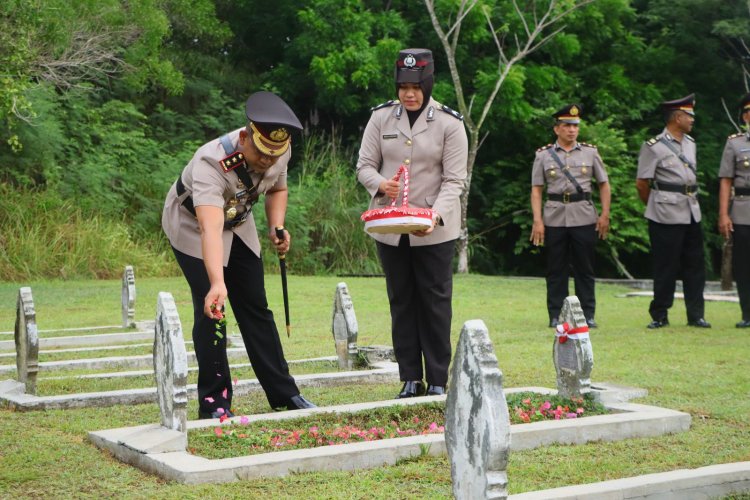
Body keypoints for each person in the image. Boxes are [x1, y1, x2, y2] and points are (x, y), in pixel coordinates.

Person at [162, 90, 316, 419]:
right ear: (245, 137)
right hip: (193, 226)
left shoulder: (279, 150)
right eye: (261, 154)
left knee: (256, 307)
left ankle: (284, 393)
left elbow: (278, 187)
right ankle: (215, 402)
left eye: (273, 156)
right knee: (212, 309)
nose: (266, 162)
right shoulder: (210, 163)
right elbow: (210, 226)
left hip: (239, 222)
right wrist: (216, 282)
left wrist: (277, 227)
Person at [357, 48, 468, 399]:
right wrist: (379, 184)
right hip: (390, 228)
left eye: (416, 86)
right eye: (403, 86)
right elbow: (364, 166)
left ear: (429, 83)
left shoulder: (450, 123)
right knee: (401, 300)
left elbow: (455, 181)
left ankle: (437, 379)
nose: (409, 93)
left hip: (433, 229)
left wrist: (434, 215)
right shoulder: (381, 118)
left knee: (434, 302)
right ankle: (409, 377)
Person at [530, 104, 611, 329]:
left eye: (575, 125)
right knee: (556, 269)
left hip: (584, 216)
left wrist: (605, 214)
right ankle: (556, 314)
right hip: (554, 217)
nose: (572, 130)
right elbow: (536, 189)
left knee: (585, 268)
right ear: (557, 129)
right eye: (566, 125)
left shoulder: (590, 152)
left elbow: (603, 184)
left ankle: (588, 314)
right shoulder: (543, 155)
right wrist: (538, 220)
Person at [636, 94, 711, 329]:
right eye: (689, 115)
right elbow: (642, 183)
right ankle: (660, 314)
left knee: (695, 265)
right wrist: (657, 204)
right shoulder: (653, 147)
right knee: (665, 266)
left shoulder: (691, 144)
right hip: (664, 213)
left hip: (691, 210)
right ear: (677, 117)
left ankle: (695, 315)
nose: (692, 120)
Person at [718, 92, 750, 328]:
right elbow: (726, 180)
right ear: (745, 117)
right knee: (743, 264)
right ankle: (747, 313)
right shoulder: (735, 143)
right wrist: (723, 213)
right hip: (742, 210)